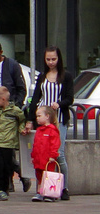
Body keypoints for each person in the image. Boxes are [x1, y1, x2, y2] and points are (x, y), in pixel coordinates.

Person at [26, 45, 74, 200]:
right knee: (44, 154)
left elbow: (70, 98)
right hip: (44, 119)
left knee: (58, 153)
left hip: (59, 118)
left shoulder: (66, 76)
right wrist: (30, 119)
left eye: (54, 59)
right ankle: (45, 187)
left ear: (59, 59)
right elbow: (36, 97)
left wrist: (59, 104)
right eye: (48, 59)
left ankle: (64, 187)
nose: (51, 62)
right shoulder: (42, 76)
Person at [0, 86, 29, 200]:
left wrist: (22, 129)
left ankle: (6, 187)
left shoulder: (15, 111)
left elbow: (21, 121)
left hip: (9, 143)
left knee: (7, 166)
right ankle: (0, 189)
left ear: (3, 99)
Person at [28, 105, 62, 202]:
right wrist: (33, 156)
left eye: (39, 116)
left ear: (47, 116)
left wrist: (53, 155)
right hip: (39, 158)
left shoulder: (52, 130)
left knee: (48, 175)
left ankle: (50, 193)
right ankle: (40, 192)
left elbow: (55, 144)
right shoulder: (39, 130)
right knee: (39, 175)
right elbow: (35, 144)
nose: (37, 118)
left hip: (47, 158)